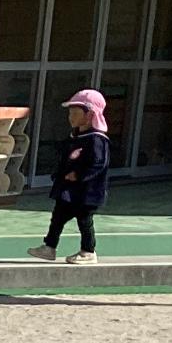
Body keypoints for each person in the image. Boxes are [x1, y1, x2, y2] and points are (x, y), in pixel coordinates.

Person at [30, 89, 110, 266]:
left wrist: (79, 175)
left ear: (90, 115)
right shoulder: (75, 136)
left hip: (86, 193)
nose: (71, 117)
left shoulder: (97, 140)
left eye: (75, 113)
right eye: (70, 113)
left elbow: (98, 164)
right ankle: (49, 247)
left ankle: (88, 251)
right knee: (57, 218)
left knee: (84, 221)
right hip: (68, 191)